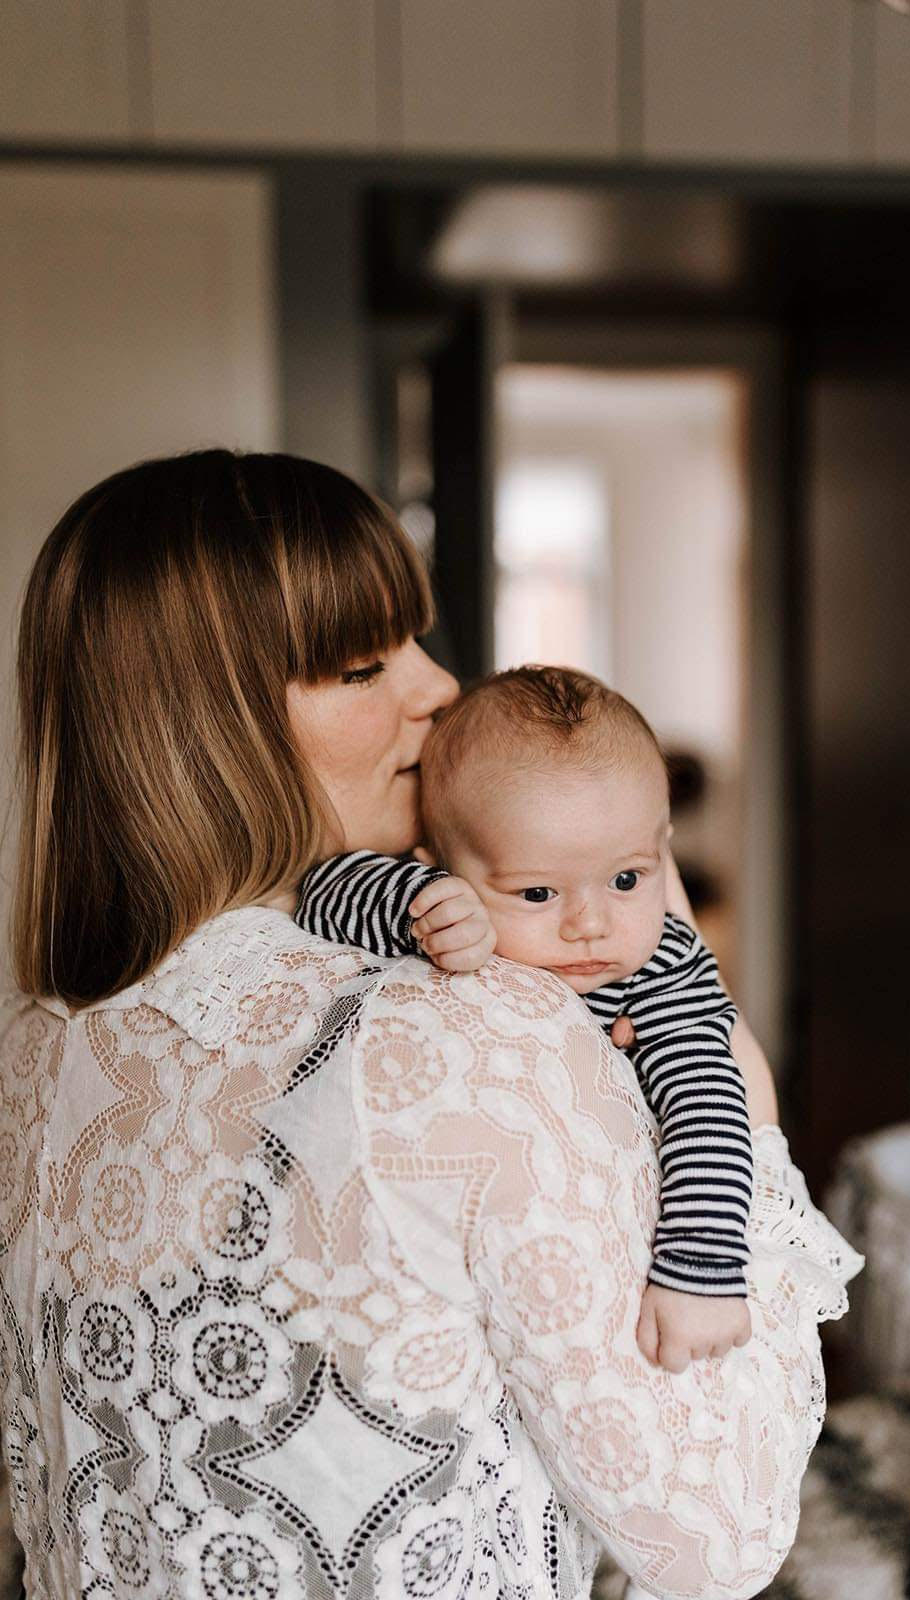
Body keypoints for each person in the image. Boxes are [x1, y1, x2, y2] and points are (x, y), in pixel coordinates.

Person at [0, 449, 861, 1600]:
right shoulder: (462, 1032)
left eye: (415, 639)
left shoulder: (36, 1047)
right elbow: (716, 1537)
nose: (440, 685)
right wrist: (741, 1101)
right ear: (198, 728)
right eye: (363, 665)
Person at [295, 666, 754, 1372]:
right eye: (537, 893)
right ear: (440, 861)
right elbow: (322, 891)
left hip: (597, 1260)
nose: (590, 924)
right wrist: (425, 904)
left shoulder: (659, 965)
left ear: (660, 845)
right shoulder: (442, 909)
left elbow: (707, 1101)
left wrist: (702, 1270)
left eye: (626, 879)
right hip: (418, 1254)